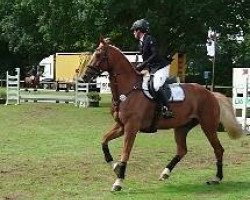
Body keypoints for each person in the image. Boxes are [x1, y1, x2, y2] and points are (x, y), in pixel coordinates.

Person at [130, 18, 173, 118]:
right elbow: (146, 58)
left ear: (139, 31)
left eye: (134, 30)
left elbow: (154, 54)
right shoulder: (140, 43)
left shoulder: (150, 39)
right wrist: (139, 68)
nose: (133, 33)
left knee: (156, 86)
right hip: (153, 68)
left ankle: (168, 109)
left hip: (161, 67)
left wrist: (143, 65)